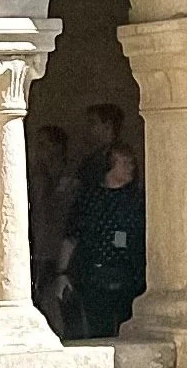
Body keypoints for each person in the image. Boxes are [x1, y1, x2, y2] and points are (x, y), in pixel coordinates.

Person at [62, 139, 146, 340]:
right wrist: (62, 272)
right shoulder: (89, 199)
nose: (131, 167)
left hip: (131, 277)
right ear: (109, 166)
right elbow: (72, 236)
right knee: (97, 331)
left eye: (132, 162)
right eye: (125, 162)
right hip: (94, 277)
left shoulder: (138, 199)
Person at [28, 121, 77, 324]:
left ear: (57, 147)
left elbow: (63, 210)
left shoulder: (70, 176)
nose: (39, 150)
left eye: (44, 144)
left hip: (60, 248)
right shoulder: (38, 176)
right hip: (38, 249)